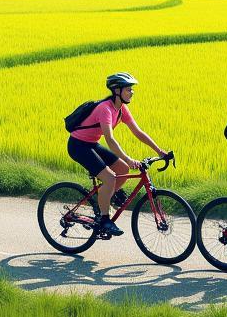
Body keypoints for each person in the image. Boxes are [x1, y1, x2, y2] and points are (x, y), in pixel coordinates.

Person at [67, 72, 169, 238]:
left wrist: (159, 151)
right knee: (109, 177)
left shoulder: (122, 109)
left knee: (122, 169)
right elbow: (110, 139)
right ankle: (104, 220)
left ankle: (103, 200)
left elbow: (138, 132)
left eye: (132, 89)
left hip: (91, 143)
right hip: (78, 145)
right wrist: (129, 159)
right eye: (129, 89)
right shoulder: (105, 109)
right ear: (117, 91)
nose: (132, 92)